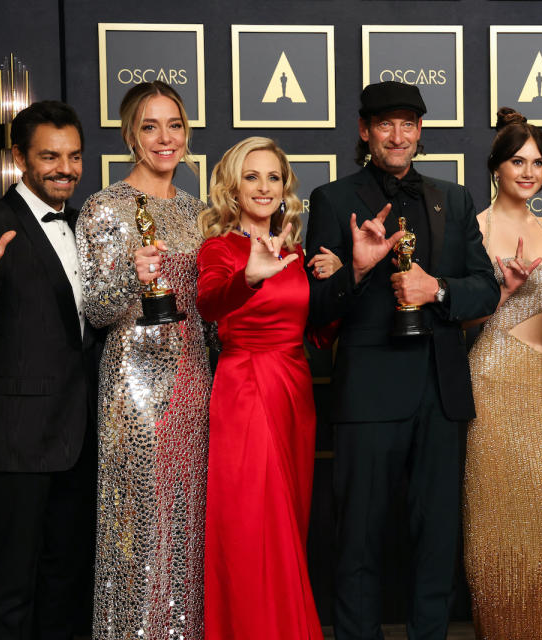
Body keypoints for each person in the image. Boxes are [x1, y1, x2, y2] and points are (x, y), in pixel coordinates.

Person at [305, 81, 499, 640]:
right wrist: (360, 270)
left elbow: (484, 290)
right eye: (385, 124)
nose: (398, 135)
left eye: (408, 123)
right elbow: (316, 309)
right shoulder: (333, 200)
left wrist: (434, 287)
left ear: (420, 131)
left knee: (437, 542)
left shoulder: (453, 198)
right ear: (365, 131)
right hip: (368, 394)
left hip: (441, 395)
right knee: (358, 541)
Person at [0, 100, 97, 639]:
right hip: (19, 440)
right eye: (50, 157)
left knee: (66, 582)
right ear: (19, 158)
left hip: (82, 438)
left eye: (74, 157)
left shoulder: (85, 225)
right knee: (10, 588)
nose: (66, 169)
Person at [76, 81, 211, 640]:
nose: (165, 138)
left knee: (185, 519)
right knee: (138, 520)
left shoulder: (199, 211)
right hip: (132, 383)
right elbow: (96, 311)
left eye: (174, 125)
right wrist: (134, 272)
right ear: (131, 135)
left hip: (193, 375)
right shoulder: (105, 207)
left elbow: (212, 304)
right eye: (151, 126)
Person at [196, 137, 339, 639]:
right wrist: (249, 279)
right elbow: (210, 303)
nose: (263, 187)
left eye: (273, 177)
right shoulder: (220, 248)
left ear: (285, 189)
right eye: (251, 176)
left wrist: (350, 277)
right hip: (244, 389)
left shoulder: (297, 254)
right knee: (255, 524)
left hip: (293, 391)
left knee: (288, 525)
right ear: (233, 189)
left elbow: (320, 333)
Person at [462, 107, 542, 639]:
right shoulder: (475, 229)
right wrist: (500, 294)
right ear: (496, 167)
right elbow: (456, 317)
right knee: (495, 527)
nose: (529, 171)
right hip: (489, 376)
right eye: (518, 161)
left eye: (538, 162)